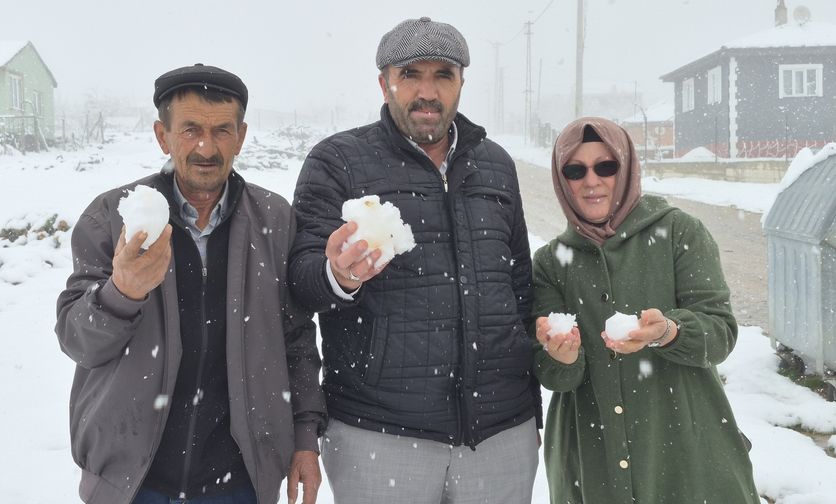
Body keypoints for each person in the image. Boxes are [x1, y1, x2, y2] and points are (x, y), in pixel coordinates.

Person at [288, 17, 541, 504]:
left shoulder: (496, 164)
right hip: (379, 434)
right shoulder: (338, 160)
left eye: (443, 75)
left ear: (461, 83)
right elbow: (300, 280)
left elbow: (520, 289)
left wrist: (530, 409)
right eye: (410, 75)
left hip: (500, 432)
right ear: (384, 83)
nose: (427, 92)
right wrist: (337, 275)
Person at [55, 64, 326, 504]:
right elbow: (77, 340)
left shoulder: (274, 220)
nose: (206, 146)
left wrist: (304, 436)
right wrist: (120, 293)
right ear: (163, 136)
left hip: (240, 478)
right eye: (190, 130)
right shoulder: (114, 215)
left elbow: (295, 338)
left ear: (240, 136)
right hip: (131, 481)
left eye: (222, 130)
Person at [532, 117, 759, 503]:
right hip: (591, 458)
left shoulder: (679, 233)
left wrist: (669, 332)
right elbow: (554, 375)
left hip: (686, 449)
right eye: (575, 169)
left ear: (627, 167)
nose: (592, 181)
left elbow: (719, 334)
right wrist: (561, 356)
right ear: (561, 179)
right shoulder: (551, 263)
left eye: (606, 166)